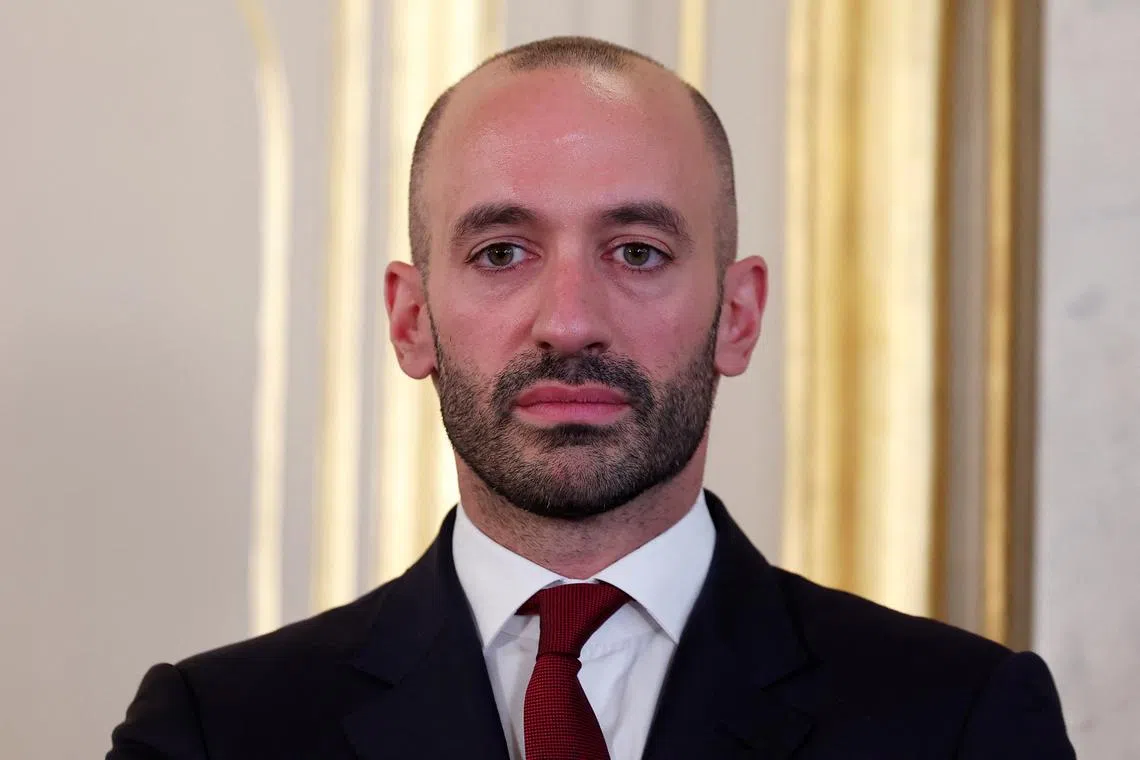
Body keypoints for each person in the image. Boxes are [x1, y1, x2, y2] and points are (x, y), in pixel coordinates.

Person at [107, 36, 1075, 760]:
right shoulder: (212, 736)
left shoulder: (965, 724)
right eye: (501, 252)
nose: (569, 321)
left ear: (738, 314)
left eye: (638, 252)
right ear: (410, 320)